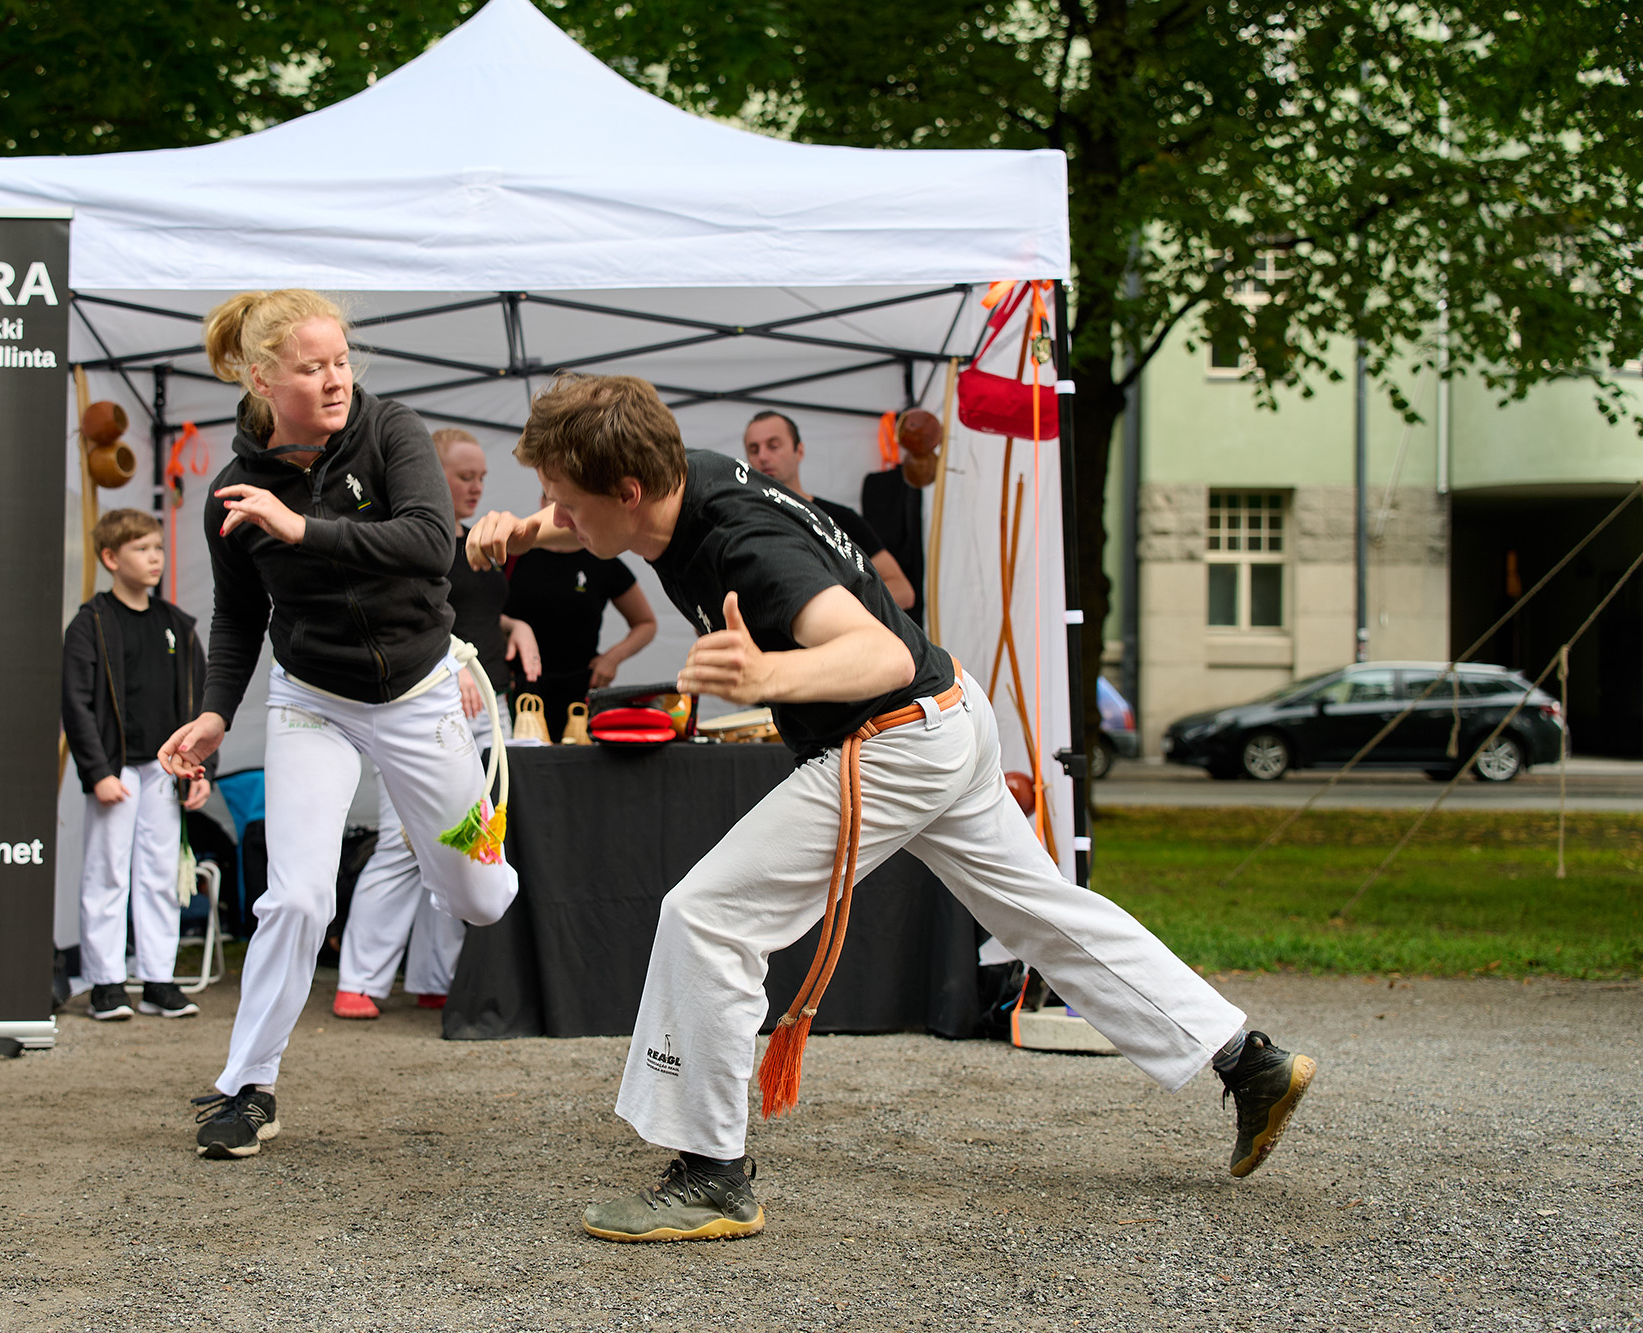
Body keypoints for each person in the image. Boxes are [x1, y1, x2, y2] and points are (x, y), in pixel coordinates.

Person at [468, 374, 1315, 1242]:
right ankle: (1250, 1062)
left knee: (707, 915)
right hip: (949, 714)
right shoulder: (683, 474)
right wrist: (523, 531)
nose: (553, 512)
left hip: (895, 734)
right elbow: (589, 519)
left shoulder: (748, 548)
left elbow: (871, 651)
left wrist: (767, 677)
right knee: (1048, 917)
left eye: (560, 499)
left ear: (629, 490)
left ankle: (712, 1176)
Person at [159, 289, 519, 1160]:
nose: (335, 380)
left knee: (479, 897)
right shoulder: (231, 493)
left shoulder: (391, 429)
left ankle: (466, 855)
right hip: (311, 697)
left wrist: (303, 527)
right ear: (261, 376)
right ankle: (248, 1086)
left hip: (423, 691)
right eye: (313, 366)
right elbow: (238, 617)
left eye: (342, 360)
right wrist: (214, 711)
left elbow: (432, 541)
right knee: (298, 894)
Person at [330, 428, 542, 1020]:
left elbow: (468, 608)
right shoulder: (406, 539)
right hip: (421, 700)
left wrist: (510, 626)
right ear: (429, 473)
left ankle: (436, 975)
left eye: (481, 477)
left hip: (486, 704)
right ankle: (361, 980)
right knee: (404, 840)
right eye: (463, 476)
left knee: (467, 836)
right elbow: (396, 618)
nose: (475, 488)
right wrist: (453, 660)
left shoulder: (475, 540)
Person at [61, 508, 213, 1022]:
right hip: (117, 770)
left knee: (159, 875)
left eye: (158, 548)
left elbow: (200, 707)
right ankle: (106, 983)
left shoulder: (177, 625)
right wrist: (98, 772)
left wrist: (198, 769)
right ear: (110, 558)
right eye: (142, 549)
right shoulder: (91, 624)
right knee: (106, 873)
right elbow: (76, 704)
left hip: (166, 771)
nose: (155, 558)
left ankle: (158, 981)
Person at [502, 487, 657, 719]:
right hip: (518, 692)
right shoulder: (513, 555)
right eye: (552, 502)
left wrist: (612, 658)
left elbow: (646, 623)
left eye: (568, 503)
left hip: (579, 693)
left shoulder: (602, 558)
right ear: (541, 503)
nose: (559, 514)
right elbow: (482, 615)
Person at [741, 410, 916, 612]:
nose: (763, 456)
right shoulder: (741, 524)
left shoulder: (841, 519)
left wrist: (836, 610)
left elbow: (902, 591)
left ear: (799, 451)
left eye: (773, 446)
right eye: (754, 450)